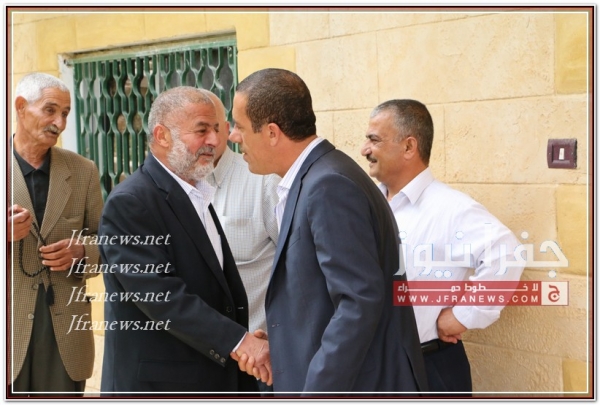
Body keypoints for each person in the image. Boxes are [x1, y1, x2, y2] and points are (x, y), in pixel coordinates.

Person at [228, 68, 428, 394]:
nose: (233, 136)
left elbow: (357, 303)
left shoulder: (328, 185)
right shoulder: (314, 178)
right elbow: (317, 299)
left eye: (240, 126)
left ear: (272, 133)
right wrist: (283, 346)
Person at [98, 86, 269, 394]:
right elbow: (160, 294)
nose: (214, 140)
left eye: (216, 129)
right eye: (201, 131)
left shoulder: (196, 191)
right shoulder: (130, 202)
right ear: (162, 135)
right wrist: (238, 341)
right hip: (162, 387)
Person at [360, 99, 525, 394]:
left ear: (409, 147)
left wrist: (462, 316)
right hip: (372, 370)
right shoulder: (366, 204)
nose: (364, 150)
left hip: (428, 370)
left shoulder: (450, 208)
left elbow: (507, 254)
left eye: (374, 140)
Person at [9, 72, 103, 395]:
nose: (59, 123)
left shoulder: (83, 170)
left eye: (65, 113)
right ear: (21, 106)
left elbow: (108, 244)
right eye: (50, 110)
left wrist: (82, 252)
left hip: (65, 333)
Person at [204, 91, 279, 337]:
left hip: (257, 348)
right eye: (199, 130)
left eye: (215, 128)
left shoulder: (263, 180)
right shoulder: (172, 190)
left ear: (227, 130)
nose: (209, 139)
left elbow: (299, 265)